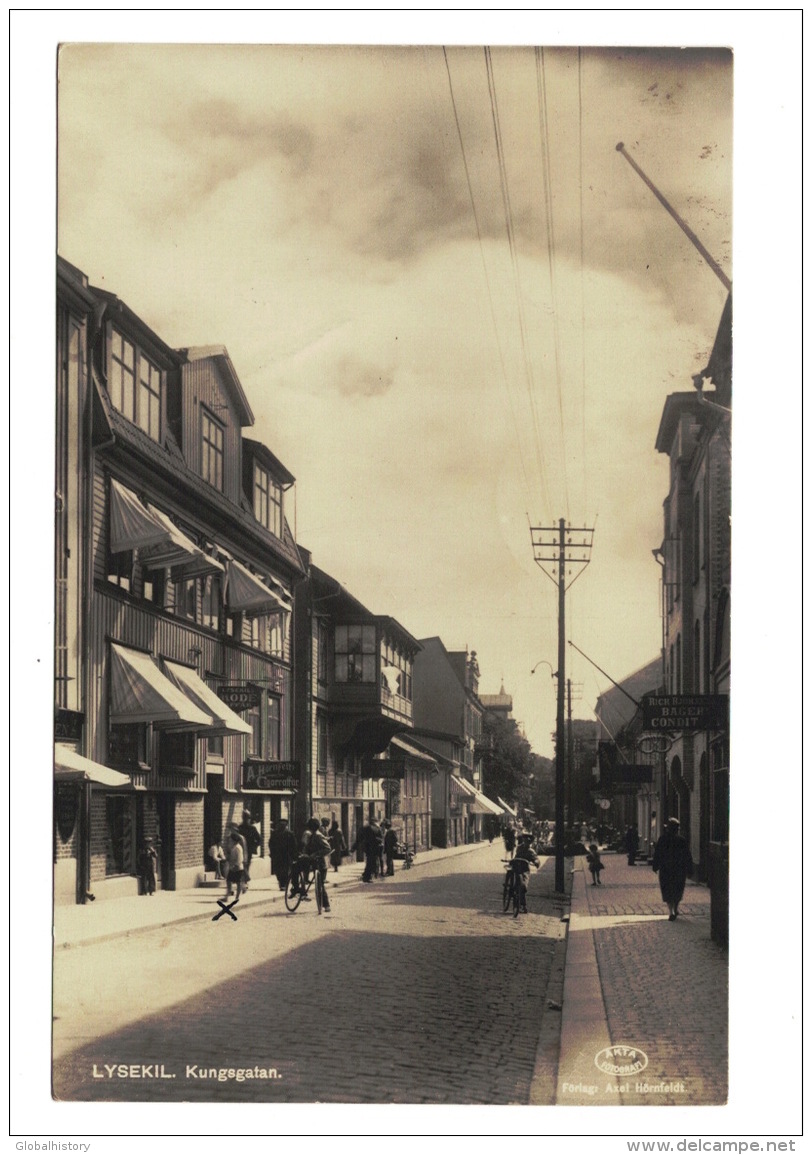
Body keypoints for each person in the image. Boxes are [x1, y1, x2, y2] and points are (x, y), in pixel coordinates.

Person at [652, 817, 694, 920]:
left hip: (666, 869)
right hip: (679, 870)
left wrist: (655, 866)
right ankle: (676, 907)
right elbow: (687, 855)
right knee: (677, 889)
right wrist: (690, 869)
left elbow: (658, 853)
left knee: (667, 890)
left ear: (668, 828)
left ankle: (671, 911)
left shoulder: (662, 839)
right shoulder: (682, 840)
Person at [304, 817, 332, 911]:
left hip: (321, 864)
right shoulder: (312, 835)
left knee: (320, 885)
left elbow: (328, 848)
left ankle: (326, 905)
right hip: (314, 863)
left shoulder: (318, 835)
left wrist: (316, 854)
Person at [511, 831, 541, 913]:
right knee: (515, 882)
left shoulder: (531, 851)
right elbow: (516, 856)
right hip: (517, 868)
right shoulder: (519, 848)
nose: (526, 841)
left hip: (525, 870)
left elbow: (536, 858)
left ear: (530, 842)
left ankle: (523, 905)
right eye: (524, 839)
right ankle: (512, 890)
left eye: (528, 840)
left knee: (523, 886)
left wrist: (536, 862)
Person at [269, 818, 298, 891]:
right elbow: (271, 843)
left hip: (287, 855)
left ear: (286, 825)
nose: (282, 826)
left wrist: (293, 854)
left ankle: (284, 884)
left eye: (283, 825)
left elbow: (294, 844)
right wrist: (272, 852)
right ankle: (280, 881)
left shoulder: (290, 834)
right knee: (277, 870)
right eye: (280, 825)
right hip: (277, 854)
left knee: (285, 870)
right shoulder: (275, 833)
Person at [238, 809, 261, 890]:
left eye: (247, 818)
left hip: (249, 850)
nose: (246, 820)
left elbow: (259, 839)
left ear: (249, 819)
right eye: (244, 818)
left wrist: (254, 846)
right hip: (240, 850)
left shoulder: (252, 828)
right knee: (241, 865)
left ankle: (244, 881)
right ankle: (243, 880)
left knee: (246, 865)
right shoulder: (239, 828)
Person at [359, 817, 382, 883]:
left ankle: (366, 876)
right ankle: (368, 877)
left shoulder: (364, 828)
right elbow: (380, 839)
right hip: (374, 848)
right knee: (372, 863)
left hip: (367, 848)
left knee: (369, 862)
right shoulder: (377, 829)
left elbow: (360, 838)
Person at [225, 829, 245, 902]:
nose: (230, 841)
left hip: (237, 868)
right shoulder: (233, 847)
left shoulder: (237, 848)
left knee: (238, 883)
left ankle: (237, 897)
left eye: (231, 840)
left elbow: (240, 858)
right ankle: (227, 896)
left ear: (234, 840)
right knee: (229, 881)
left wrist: (236, 865)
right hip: (233, 867)